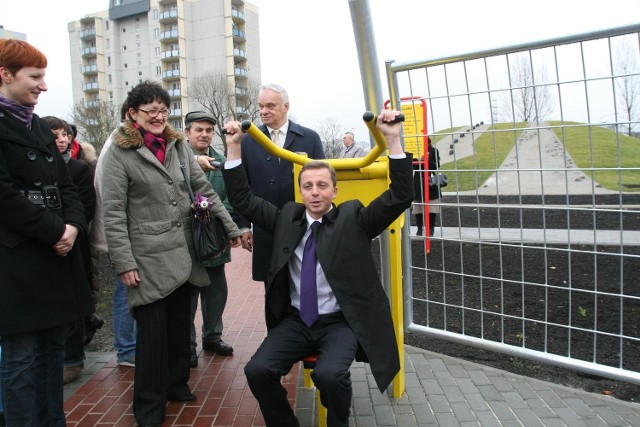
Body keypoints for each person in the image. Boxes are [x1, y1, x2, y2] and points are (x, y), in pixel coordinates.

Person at [221, 109, 413, 427]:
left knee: (329, 374)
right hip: (296, 322)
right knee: (257, 370)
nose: (314, 192)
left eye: (322, 185)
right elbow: (243, 198)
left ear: (334, 191)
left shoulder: (354, 219)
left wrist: (392, 139)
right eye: (308, 185)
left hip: (339, 323)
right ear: (301, 190)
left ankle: (338, 422)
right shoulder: (287, 218)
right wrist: (233, 148)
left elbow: (400, 196)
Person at [101, 80, 242, 426]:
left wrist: (231, 228)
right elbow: (114, 212)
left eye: (164, 111)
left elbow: (203, 188)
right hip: (147, 258)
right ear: (133, 114)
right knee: (152, 336)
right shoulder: (119, 152)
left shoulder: (177, 145)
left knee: (180, 327)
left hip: (186, 252)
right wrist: (124, 262)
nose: (159, 117)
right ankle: (148, 407)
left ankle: (177, 384)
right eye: (151, 111)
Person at [0, 39, 94, 426]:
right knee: (20, 360)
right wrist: (56, 231)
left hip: (57, 261)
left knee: (53, 352)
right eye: (34, 77)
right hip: (18, 264)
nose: (43, 85)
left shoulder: (39, 126)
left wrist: (72, 228)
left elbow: (67, 185)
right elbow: (4, 197)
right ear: (5, 74)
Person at [184, 111, 251, 365]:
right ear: (188, 132)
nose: (204, 134)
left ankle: (212, 337)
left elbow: (233, 197)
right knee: (188, 294)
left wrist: (229, 224)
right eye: (198, 130)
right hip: (188, 239)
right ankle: (187, 345)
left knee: (216, 291)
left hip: (215, 237)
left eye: (209, 131)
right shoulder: (176, 159)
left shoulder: (222, 160)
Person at [241, 83, 325, 285]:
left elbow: (323, 182)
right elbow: (243, 186)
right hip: (265, 229)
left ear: (286, 106)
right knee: (272, 289)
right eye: (260, 106)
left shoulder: (310, 138)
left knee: (306, 283)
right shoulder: (248, 140)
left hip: (303, 226)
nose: (263, 111)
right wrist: (243, 226)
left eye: (270, 106)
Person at [42, 115, 97, 384]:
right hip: (45, 245)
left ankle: (73, 359)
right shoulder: (38, 168)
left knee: (74, 302)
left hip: (75, 245)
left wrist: (68, 233)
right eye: (55, 135)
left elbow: (86, 206)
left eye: (64, 134)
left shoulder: (78, 169)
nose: (62, 140)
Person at [91, 102, 139, 367]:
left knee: (131, 290)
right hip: (122, 235)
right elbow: (112, 199)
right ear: (131, 114)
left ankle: (130, 347)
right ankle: (127, 350)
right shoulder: (118, 145)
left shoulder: (120, 140)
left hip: (126, 233)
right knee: (125, 291)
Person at [413, 137, 441, 236]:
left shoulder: (434, 151)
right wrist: (417, 161)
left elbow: (436, 166)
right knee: (418, 206)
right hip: (418, 181)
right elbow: (412, 166)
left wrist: (426, 160)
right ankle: (419, 228)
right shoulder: (415, 152)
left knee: (431, 207)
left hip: (430, 181)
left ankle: (431, 228)